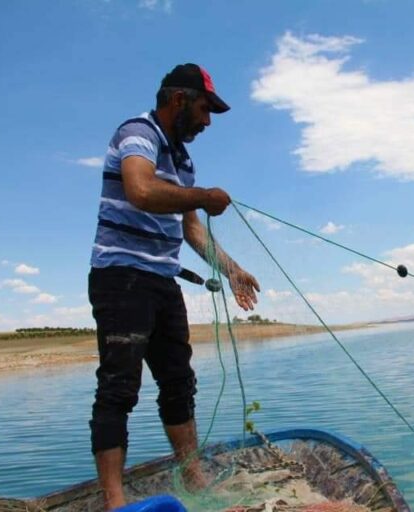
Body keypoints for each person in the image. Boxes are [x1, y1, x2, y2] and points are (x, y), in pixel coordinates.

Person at [88, 63, 260, 510]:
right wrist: (203, 196)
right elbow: (141, 191)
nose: (207, 122)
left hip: (163, 282)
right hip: (121, 277)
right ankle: (114, 501)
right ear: (179, 99)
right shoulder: (137, 133)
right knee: (118, 388)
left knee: (179, 382)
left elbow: (192, 231)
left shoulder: (183, 160)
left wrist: (233, 270)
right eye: (204, 110)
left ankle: (194, 476)